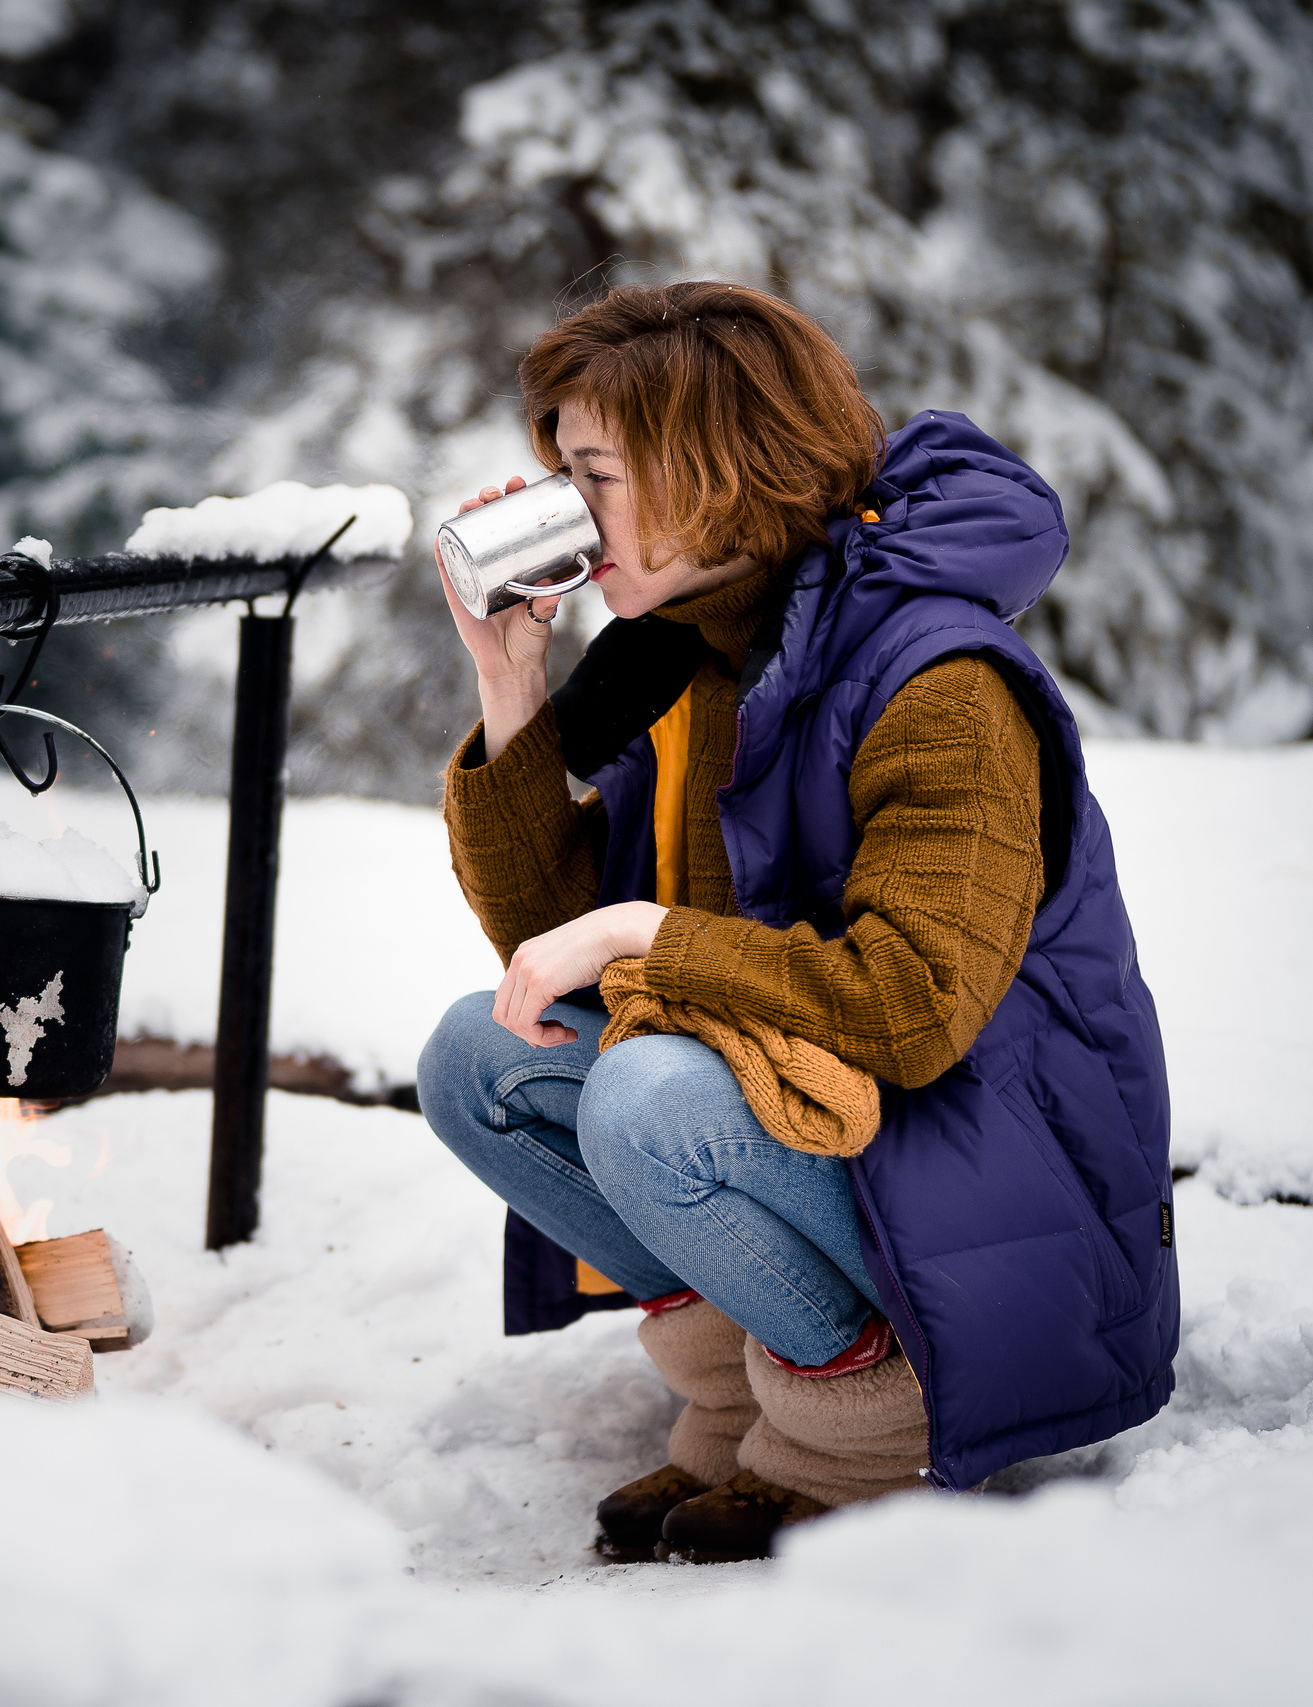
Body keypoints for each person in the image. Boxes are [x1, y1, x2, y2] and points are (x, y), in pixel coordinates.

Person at [417, 281, 1176, 1564]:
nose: (568, 513)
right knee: (480, 1060)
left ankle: (865, 1434)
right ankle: (737, 1398)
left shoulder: (934, 677)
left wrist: (645, 937)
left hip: (1000, 1220)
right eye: (563, 472)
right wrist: (512, 686)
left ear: (715, 469)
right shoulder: (693, 655)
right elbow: (554, 947)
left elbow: (914, 1008)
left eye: (594, 476)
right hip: (856, 1153)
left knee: (649, 1097)